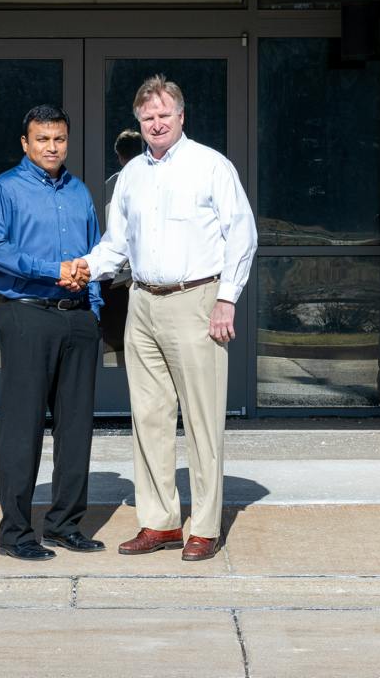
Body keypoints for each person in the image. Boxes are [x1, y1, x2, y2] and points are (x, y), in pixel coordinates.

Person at [73, 76, 256, 562]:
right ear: (139, 123)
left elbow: (242, 236)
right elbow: (118, 244)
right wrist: (86, 268)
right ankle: (160, 522)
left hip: (197, 301)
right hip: (142, 303)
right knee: (149, 419)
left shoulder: (210, 166)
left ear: (181, 117)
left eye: (164, 115)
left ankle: (205, 526)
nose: (156, 124)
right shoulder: (132, 174)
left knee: (201, 420)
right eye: (147, 118)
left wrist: (227, 299)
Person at [0, 104, 105, 562]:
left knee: (76, 427)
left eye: (60, 139)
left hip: (78, 319)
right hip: (27, 316)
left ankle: (65, 525)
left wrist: (94, 310)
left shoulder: (80, 192)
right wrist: (54, 271)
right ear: (25, 143)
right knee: (22, 427)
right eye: (43, 139)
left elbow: (93, 254)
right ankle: (15, 533)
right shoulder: (2, 191)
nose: (52, 147)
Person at [98, 129, 144, 364]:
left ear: (118, 155)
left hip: (117, 270)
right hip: (138, 272)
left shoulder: (110, 185)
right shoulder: (151, 179)